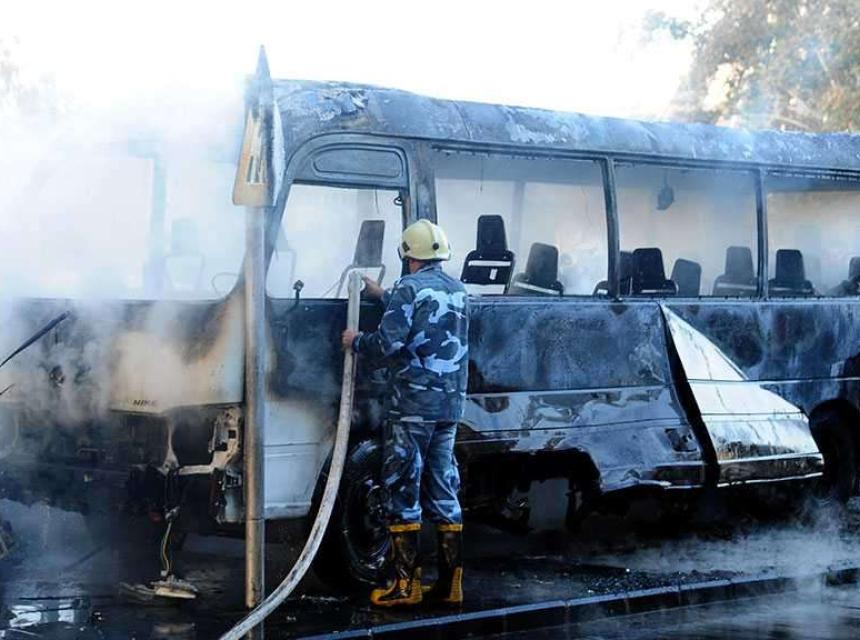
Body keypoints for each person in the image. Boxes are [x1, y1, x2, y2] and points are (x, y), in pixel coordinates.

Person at [341, 219, 469, 608]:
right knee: (444, 489)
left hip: (413, 407)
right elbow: (427, 319)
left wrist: (356, 341)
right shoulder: (458, 289)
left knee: (402, 488)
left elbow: (388, 343)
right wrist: (384, 296)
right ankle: (450, 585)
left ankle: (404, 585)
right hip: (449, 406)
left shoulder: (409, 288)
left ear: (407, 254)